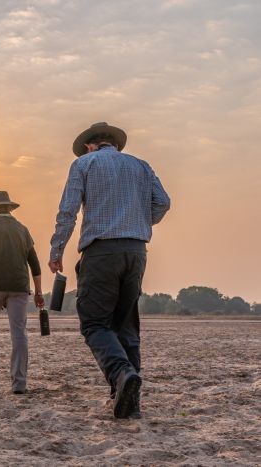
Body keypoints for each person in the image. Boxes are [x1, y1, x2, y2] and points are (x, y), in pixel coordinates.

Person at [49, 122, 171, 419]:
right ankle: (128, 400)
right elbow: (163, 203)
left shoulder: (84, 164)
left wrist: (56, 251)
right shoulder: (141, 165)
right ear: (114, 143)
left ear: (90, 145)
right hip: (136, 251)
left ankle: (121, 374)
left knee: (94, 324)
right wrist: (137, 220)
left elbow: (68, 211)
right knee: (127, 324)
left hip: (101, 251)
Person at [0, 191, 44, 394]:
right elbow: (34, 264)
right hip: (19, 285)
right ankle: (19, 382)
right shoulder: (23, 229)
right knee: (19, 332)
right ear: (10, 208)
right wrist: (39, 292)